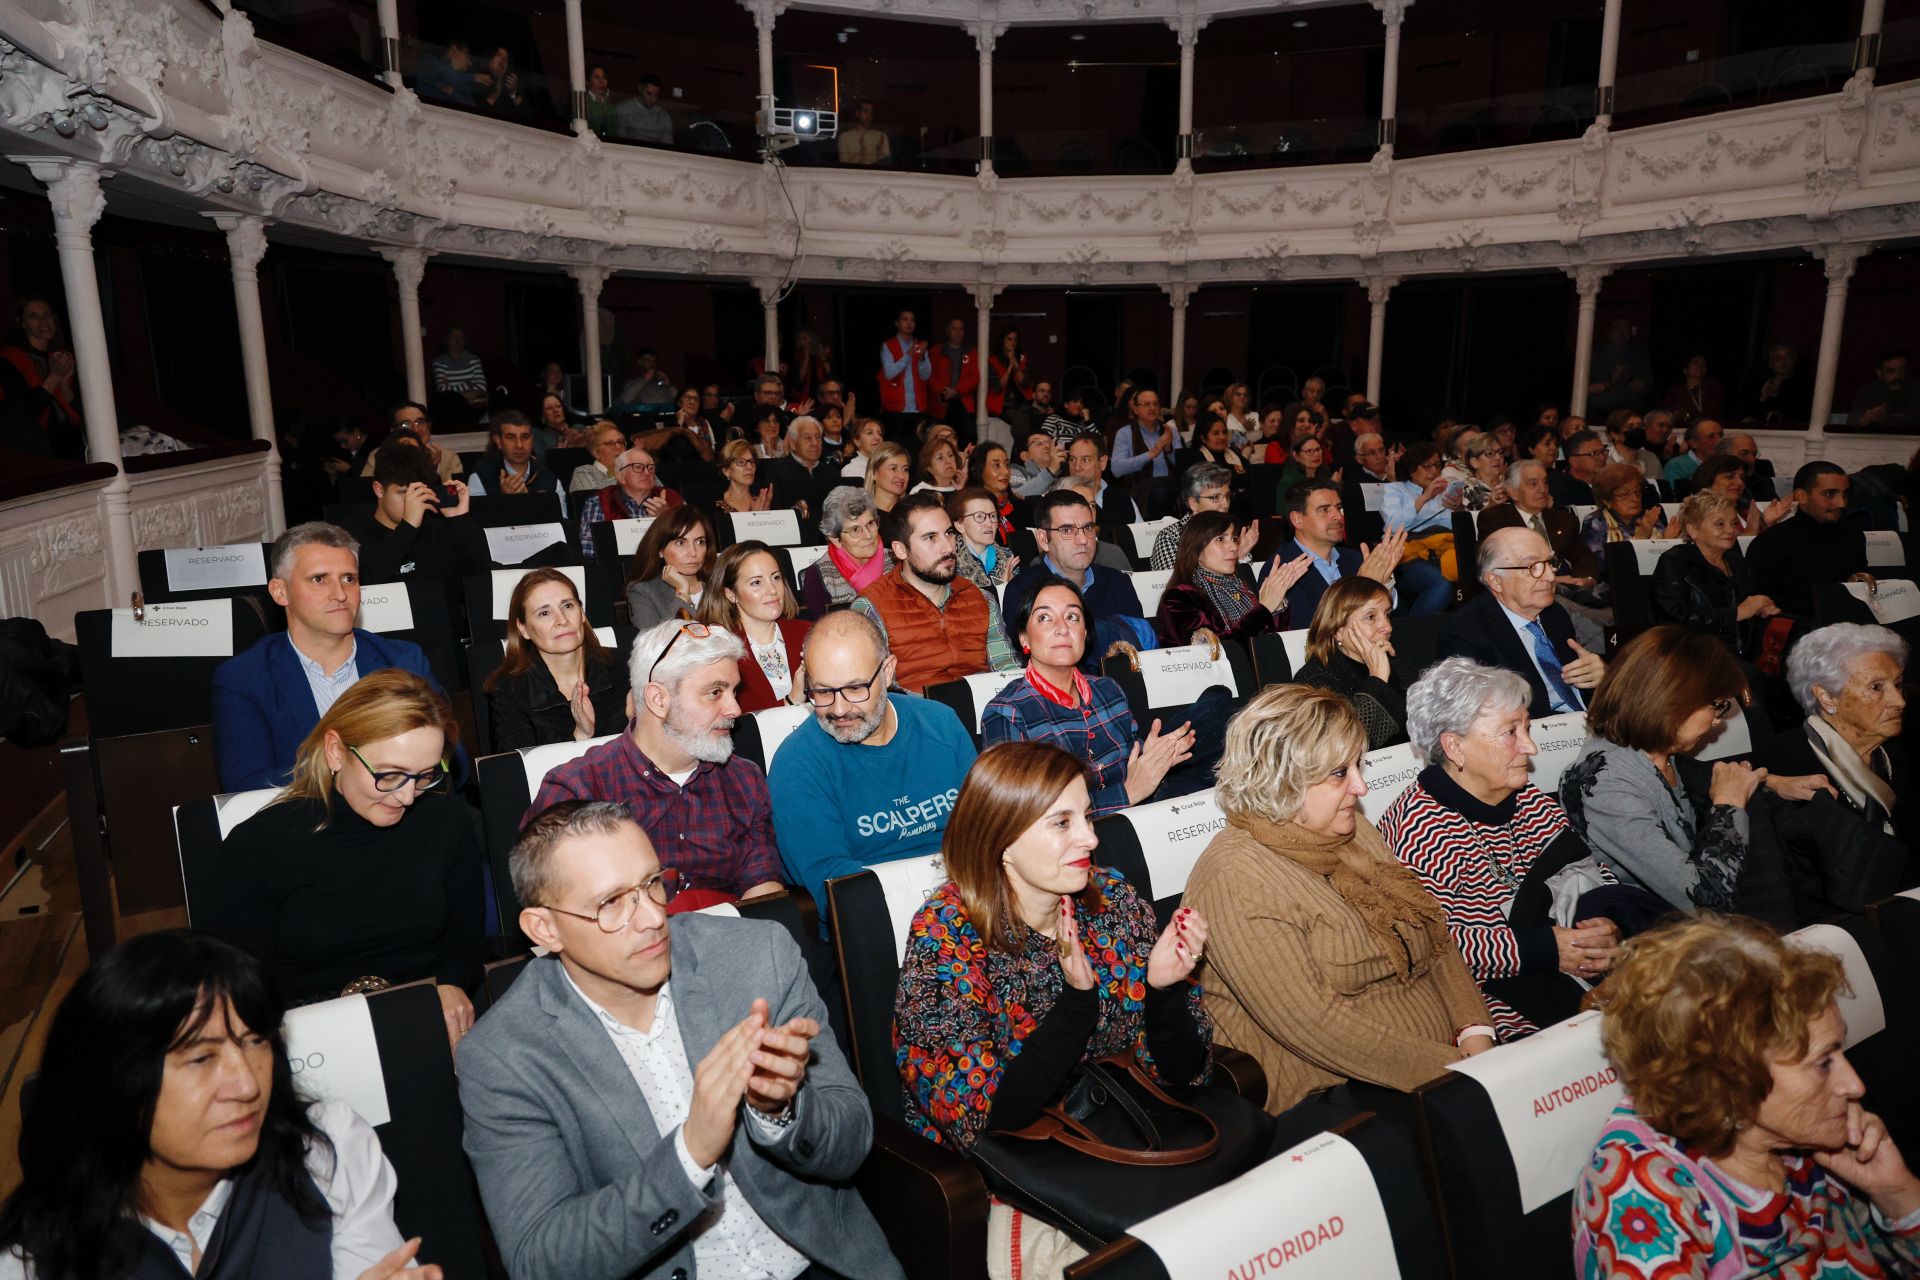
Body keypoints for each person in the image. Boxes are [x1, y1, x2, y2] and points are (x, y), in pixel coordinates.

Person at [459, 801, 905, 1280]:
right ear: (544, 929)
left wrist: (782, 1113)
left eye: (653, 883)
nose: (652, 916)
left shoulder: (756, 957)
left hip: (819, 1263)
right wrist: (690, 1154)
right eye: (611, 903)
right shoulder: (503, 1056)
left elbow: (853, 1140)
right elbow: (540, 1260)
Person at [891, 744, 1212, 1269]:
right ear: (1002, 841)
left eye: (1086, 817)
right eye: (1061, 823)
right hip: (1014, 1180)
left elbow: (1184, 1074)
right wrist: (1076, 1003)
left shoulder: (1109, 900)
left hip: (1126, 1140)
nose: (1090, 837)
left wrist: (1163, 991)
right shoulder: (947, 935)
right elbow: (988, 1119)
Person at [0, 929, 439, 1280]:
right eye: (202, 1058)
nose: (246, 1084)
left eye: (255, 1043)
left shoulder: (326, 1152)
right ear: (117, 1081)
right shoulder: (34, 1258)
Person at [1181, 685, 1494, 1114]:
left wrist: (1478, 1035)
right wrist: (1457, 1072)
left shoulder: (1352, 832)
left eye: (1358, 766)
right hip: (1334, 1091)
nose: (1362, 787)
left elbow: (1433, 932)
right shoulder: (1233, 876)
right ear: (1282, 780)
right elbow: (1316, 1026)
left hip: (1442, 1066)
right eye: (1339, 773)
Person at [1574, 915, 1920, 1277]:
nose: (1854, 1086)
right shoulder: (1642, 1192)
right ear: (1729, 1077)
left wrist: (1896, 1192)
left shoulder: (1807, 1138)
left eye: (1838, 1052)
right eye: (1822, 1063)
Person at [206, 670, 483, 1029]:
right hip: (304, 1029)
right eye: (390, 775)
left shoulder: (445, 819)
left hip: (427, 1011)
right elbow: (236, 985)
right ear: (336, 752)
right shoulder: (260, 845)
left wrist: (452, 986)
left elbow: (466, 939)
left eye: (426, 775)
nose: (407, 795)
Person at [1379, 659, 1632, 1040]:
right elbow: (1432, 943)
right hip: (1487, 997)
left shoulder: (1527, 798)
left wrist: (1608, 923)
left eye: (1526, 729)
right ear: (1454, 746)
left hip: (1579, 970)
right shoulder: (1419, 827)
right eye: (1510, 732)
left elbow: (1592, 871)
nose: (1530, 747)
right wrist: (1544, 949)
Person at [526, 617, 784, 908]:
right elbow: (558, 908)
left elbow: (762, 888)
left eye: (734, 691)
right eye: (715, 692)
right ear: (658, 700)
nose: (735, 709)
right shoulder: (578, 791)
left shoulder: (743, 780)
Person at [1558, 626, 1791, 921]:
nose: (1718, 722)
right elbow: (1707, 900)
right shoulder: (1606, 780)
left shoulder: (1658, 753)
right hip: (1663, 944)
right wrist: (1730, 805)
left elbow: (1704, 778)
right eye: (1717, 706)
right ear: (1672, 701)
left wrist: (1770, 782)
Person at [211, 522, 444, 792]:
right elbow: (247, 785)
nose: (340, 594)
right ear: (280, 591)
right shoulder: (245, 678)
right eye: (319, 579)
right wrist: (351, 770)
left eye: (349, 578)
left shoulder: (403, 660)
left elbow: (450, 761)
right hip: (303, 825)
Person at [767, 611, 977, 906]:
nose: (839, 709)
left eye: (855, 688)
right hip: (878, 917)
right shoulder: (796, 765)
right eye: (823, 692)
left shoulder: (941, 724)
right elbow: (836, 886)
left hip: (971, 898)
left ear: (888, 672)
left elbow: (982, 830)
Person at [983, 578, 1217, 815]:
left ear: (1084, 633)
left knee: (1217, 708)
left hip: (1142, 818)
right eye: (1045, 617)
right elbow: (1020, 814)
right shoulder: (1007, 712)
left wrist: (1151, 756)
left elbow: (1133, 761)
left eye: (1072, 617)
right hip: (1078, 844)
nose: (1062, 628)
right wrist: (1128, 793)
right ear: (1024, 638)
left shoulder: (1108, 690)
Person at [1758, 623, 1917, 891]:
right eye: (1877, 687)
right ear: (1826, 697)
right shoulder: (1783, 764)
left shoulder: (1897, 751)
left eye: (1897, 685)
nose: (1899, 701)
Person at [852, 492, 1019, 693]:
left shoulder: (979, 598)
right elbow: (880, 692)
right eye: (930, 537)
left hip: (984, 712)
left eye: (948, 533)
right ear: (901, 550)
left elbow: (1007, 671)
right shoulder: (871, 607)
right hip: (918, 717)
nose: (947, 547)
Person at [1439, 527, 1606, 717]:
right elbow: (1477, 717)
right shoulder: (1465, 635)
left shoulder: (1554, 614)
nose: (1551, 577)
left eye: (1550, 563)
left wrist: (1599, 678)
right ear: (1495, 581)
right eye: (1532, 567)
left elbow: (1578, 684)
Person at [1003, 490, 1153, 670]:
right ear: (1043, 539)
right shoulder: (1022, 590)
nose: (1083, 539)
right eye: (1067, 530)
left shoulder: (1118, 582)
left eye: (1088, 528)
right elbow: (1026, 659)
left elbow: (1138, 647)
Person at [485, 567, 629, 752]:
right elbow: (522, 774)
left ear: (582, 613)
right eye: (544, 613)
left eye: (567, 606)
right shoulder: (508, 691)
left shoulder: (626, 665)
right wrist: (580, 736)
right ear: (523, 629)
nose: (562, 620)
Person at [1268, 478, 1433, 619]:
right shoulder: (1282, 568)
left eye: (1339, 508)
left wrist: (1386, 586)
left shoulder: (1357, 559)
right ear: (1297, 519)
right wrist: (1362, 590)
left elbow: (1400, 621)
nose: (1338, 516)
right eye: (1324, 509)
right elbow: (1310, 635)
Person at [334, 446, 489, 588]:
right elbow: (363, 584)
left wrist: (460, 521)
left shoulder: (436, 527)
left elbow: (481, 577)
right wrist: (408, 527)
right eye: (403, 493)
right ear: (379, 489)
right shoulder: (347, 534)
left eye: (418, 493)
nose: (412, 503)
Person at [1650, 490, 1780, 655]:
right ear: (1693, 530)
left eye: (1733, 523)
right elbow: (1676, 620)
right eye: (1720, 524)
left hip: (1742, 650)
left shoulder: (1737, 561)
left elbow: (1751, 605)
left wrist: (1763, 609)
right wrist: (1736, 613)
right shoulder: (1674, 562)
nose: (1731, 530)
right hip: (1694, 653)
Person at [1157, 511, 1309, 649]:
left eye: (1234, 538)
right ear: (1196, 548)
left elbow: (1276, 644)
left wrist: (1277, 607)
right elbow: (1214, 652)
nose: (1233, 547)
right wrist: (1264, 610)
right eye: (1220, 539)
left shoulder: (1240, 585)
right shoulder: (1178, 599)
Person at [1292, 578, 1408, 750]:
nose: (1387, 627)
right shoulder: (1313, 679)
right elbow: (1349, 746)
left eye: (1387, 615)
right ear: (1338, 631)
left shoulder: (1392, 661)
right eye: (1371, 617)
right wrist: (1378, 678)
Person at [1747, 461, 1872, 618]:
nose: (1841, 503)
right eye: (1829, 494)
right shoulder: (1771, 543)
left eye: (1844, 494)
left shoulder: (1852, 535)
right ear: (1801, 496)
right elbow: (1766, 603)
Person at [696, 541, 811, 713]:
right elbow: (731, 723)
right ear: (731, 594)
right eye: (756, 583)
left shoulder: (811, 634)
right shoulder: (718, 652)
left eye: (776, 577)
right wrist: (791, 701)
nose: (772, 590)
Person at [0, 296, 80, 459]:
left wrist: (64, 382)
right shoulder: (8, 360)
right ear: (21, 322)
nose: (43, 321)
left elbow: (78, 410)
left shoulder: (60, 357)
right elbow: (22, 415)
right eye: (34, 316)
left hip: (71, 445)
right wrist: (54, 377)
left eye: (47, 315)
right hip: (36, 450)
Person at [577, 446, 684, 561]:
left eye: (651, 468)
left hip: (665, 569)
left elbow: (689, 541)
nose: (647, 472)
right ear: (620, 476)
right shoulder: (599, 501)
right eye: (638, 467)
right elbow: (587, 548)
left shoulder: (672, 498)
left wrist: (666, 520)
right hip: (619, 572)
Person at [798, 487, 892, 618]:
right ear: (836, 539)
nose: (868, 535)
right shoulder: (819, 576)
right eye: (855, 530)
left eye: (870, 523)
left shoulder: (896, 560)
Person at [625, 505, 714, 633]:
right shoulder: (644, 591)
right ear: (660, 550)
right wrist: (682, 593)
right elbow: (654, 646)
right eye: (680, 543)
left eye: (700, 542)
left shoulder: (721, 582)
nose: (693, 552)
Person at [464, 409, 566, 511]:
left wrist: (530, 502)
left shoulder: (550, 481)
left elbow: (563, 524)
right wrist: (503, 500)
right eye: (510, 437)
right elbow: (476, 523)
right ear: (499, 441)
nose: (519, 445)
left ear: (532, 440)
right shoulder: (482, 475)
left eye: (525, 437)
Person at [1580, 460, 1668, 570]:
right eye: (1624, 494)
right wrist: (1639, 540)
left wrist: (1668, 539)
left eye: (1637, 492)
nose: (1635, 498)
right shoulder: (1595, 522)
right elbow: (1599, 566)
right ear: (1606, 500)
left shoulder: (1648, 517)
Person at [1150, 463, 1236, 570]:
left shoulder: (1232, 533)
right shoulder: (1171, 537)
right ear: (1193, 503)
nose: (1226, 504)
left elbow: (1245, 581)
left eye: (1228, 496)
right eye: (1215, 497)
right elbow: (1174, 581)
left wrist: (1241, 555)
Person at [360, 402, 462, 483]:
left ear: (429, 426)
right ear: (394, 431)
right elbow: (366, 490)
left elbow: (454, 494)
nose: (415, 429)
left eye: (420, 422)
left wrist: (434, 467)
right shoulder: (379, 455)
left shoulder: (448, 457)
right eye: (406, 425)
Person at [947, 486, 1018, 593]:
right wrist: (1001, 589)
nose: (989, 524)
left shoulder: (1007, 556)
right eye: (979, 516)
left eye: (993, 516)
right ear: (959, 525)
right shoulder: (950, 562)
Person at [1064, 435, 1143, 527]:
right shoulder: (1058, 499)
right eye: (1072, 459)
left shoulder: (1123, 499)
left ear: (1102, 462)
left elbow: (1141, 537)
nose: (1077, 467)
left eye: (1085, 460)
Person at [877, 309, 933, 434]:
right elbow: (890, 373)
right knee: (897, 447)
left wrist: (923, 357)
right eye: (905, 319)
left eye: (912, 320)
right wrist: (908, 354)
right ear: (897, 323)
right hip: (896, 409)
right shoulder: (888, 345)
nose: (909, 323)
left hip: (917, 408)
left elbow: (926, 375)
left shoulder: (920, 345)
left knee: (918, 448)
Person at [1111, 387, 1178, 486]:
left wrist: (1169, 450)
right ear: (1135, 409)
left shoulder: (1169, 431)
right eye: (1146, 404)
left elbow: (1182, 465)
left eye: (1155, 404)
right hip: (1140, 490)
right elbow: (1116, 469)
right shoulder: (1125, 433)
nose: (1152, 408)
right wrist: (1150, 454)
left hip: (1170, 487)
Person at [1587, 316, 1653, 416]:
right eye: (1617, 328)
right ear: (1608, 333)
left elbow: (1644, 389)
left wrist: (1626, 377)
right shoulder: (1595, 354)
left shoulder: (1639, 355)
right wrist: (1610, 382)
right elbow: (1584, 389)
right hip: (1597, 409)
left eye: (1626, 328)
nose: (1622, 333)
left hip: (1630, 411)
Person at [1738, 340, 1815, 424]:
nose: (1783, 361)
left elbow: (1801, 416)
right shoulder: (1756, 381)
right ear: (1770, 362)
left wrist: (1776, 396)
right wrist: (1763, 398)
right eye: (1778, 357)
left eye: (1788, 356)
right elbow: (1745, 413)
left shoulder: (1804, 384)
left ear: (1795, 359)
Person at [1848, 347, 1920, 429]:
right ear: (1879, 373)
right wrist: (1866, 419)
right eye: (1891, 371)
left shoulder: (1917, 389)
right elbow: (1851, 421)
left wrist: (1886, 419)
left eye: (1902, 370)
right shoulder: (1868, 391)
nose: (1897, 376)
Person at [429, 327, 487, 418]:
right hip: (451, 409)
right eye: (453, 338)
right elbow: (444, 390)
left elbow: (482, 387)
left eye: (461, 338)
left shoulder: (474, 360)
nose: (458, 341)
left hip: (475, 409)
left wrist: (453, 389)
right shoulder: (439, 362)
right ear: (446, 340)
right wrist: (470, 386)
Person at [1661, 355, 1727, 432]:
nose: (1700, 366)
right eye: (1695, 363)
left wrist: (1687, 415)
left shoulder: (1713, 387)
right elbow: (1667, 414)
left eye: (1703, 364)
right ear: (1685, 370)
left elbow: (1712, 412)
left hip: (1707, 430)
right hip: (1680, 431)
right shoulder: (1676, 390)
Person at [1549, 429, 1607, 508]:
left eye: (1603, 451)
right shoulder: (1560, 490)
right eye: (1594, 453)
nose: (1602, 458)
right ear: (1574, 462)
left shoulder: (1611, 484)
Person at [1662, 416, 1725, 485]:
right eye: (1711, 436)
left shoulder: (1726, 463)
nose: (1719, 441)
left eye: (1721, 435)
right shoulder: (1677, 466)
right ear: (1693, 443)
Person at [715, 439, 773, 514]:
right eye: (741, 462)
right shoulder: (715, 506)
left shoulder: (763, 503)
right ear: (726, 471)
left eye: (752, 462)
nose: (749, 467)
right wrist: (755, 516)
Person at [614, 72, 673, 145]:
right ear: (640, 88)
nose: (652, 99)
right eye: (649, 94)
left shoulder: (663, 116)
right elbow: (619, 141)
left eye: (656, 96)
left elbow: (668, 145)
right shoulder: (623, 109)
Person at [567, 420, 626, 493]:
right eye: (610, 443)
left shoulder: (632, 470)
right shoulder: (583, 472)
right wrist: (627, 477)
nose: (618, 447)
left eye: (620, 442)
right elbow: (595, 496)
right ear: (596, 452)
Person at [837, 97, 891, 166]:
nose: (869, 115)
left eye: (871, 112)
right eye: (866, 111)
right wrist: (862, 152)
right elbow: (843, 166)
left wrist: (878, 151)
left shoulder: (881, 136)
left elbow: (887, 164)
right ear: (857, 114)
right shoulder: (844, 137)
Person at [987, 328, 1028, 421]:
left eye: (1015, 339)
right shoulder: (993, 360)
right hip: (1003, 404)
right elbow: (997, 388)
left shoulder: (1022, 358)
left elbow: (1024, 383)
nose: (1013, 342)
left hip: (1021, 402)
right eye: (1009, 339)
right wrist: (1010, 367)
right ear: (1003, 341)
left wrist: (1016, 365)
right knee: (1020, 419)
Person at [864, 440, 912, 516]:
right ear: (874, 473)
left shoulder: (911, 514)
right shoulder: (861, 515)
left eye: (905, 469)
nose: (901, 476)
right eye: (893, 468)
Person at [839, 416, 889, 480]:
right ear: (857, 441)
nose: (877, 438)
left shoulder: (890, 464)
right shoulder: (850, 470)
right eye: (870, 433)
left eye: (880, 434)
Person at [582, 63, 616, 139]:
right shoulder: (582, 103)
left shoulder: (611, 108)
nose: (601, 81)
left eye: (604, 77)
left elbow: (615, 135)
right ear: (587, 81)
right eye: (596, 77)